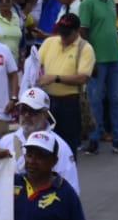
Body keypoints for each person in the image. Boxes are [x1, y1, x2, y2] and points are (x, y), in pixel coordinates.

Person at [78, 0, 118, 154]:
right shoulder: (88, 2)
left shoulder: (112, 0)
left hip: (116, 57)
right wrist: (91, 61)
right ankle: (94, 139)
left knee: (116, 99)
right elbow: (83, 33)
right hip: (98, 60)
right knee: (96, 101)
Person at [0, 87, 80, 193]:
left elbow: (72, 189)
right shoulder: (6, 141)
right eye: (23, 109)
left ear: (45, 114)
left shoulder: (60, 147)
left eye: (33, 111)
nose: (26, 115)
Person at [38, 12, 94, 152]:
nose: (62, 37)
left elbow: (83, 77)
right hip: (49, 101)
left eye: (66, 34)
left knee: (68, 145)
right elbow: (36, 64)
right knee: (48, 144)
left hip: (70, 103)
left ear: (76, 31)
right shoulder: (50, 42)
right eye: (61, 32)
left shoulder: (85, 49)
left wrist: (56, 78)